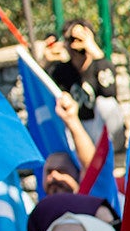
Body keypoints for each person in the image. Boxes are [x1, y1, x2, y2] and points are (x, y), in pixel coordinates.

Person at [42, 19, 121, 148]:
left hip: (104, 131)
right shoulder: (61, 71)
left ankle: (109, 151)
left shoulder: (100, 64)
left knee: (107, 104)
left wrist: (93, 49)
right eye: (71, 39)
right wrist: (46, 61)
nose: (76, 44)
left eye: (80, 39)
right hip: (78, 131)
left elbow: (110, 92)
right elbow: (43, 91)